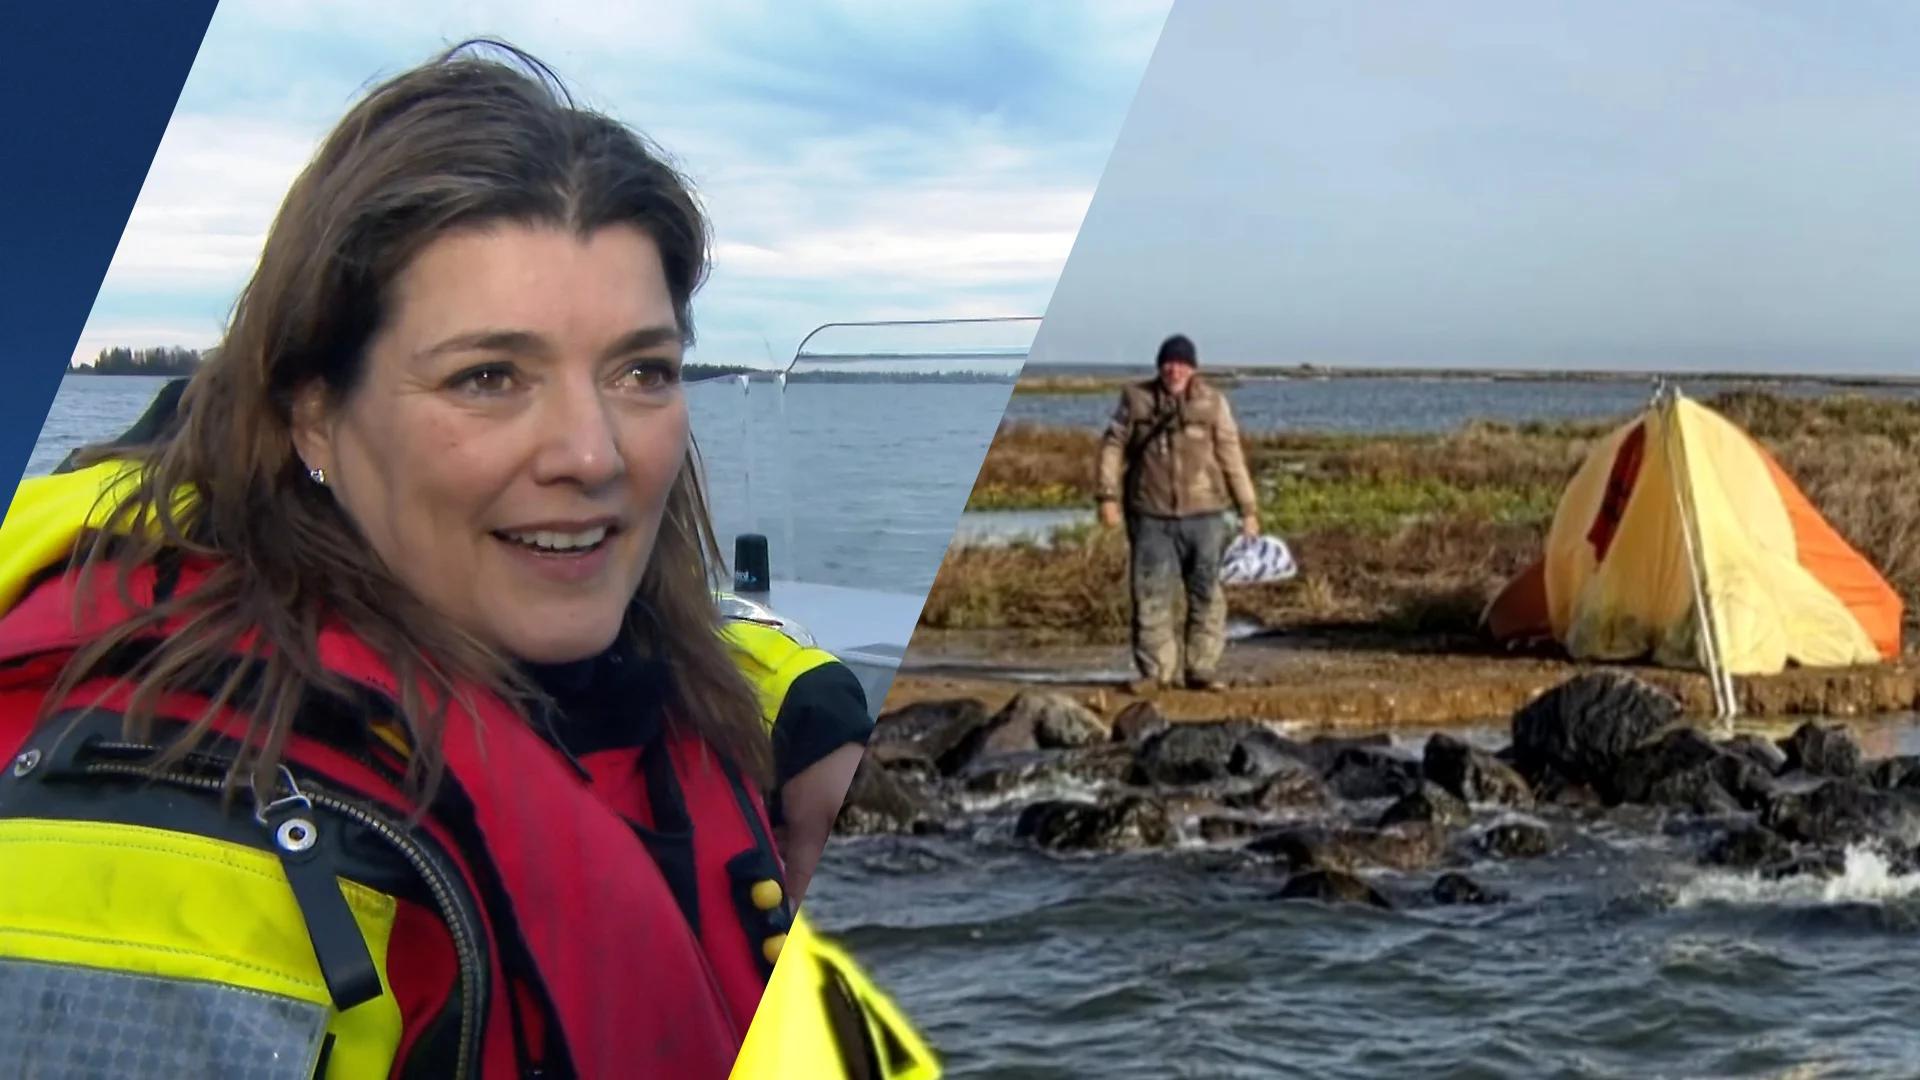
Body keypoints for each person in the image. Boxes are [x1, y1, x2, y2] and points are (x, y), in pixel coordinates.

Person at [0, 41, 917, 1080]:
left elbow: (612, 645)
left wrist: (794, 699)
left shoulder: (505, 605)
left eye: (642, 370)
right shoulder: (175, 838)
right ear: (313, 419)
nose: (592, 453)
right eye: (488, 377)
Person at [1094, 333, 1259, 692]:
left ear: (1193, 368)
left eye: (1182, 363)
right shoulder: (1136, 399)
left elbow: (1232, 456)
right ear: (1160, 366)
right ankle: (1157, 674)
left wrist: (1248, 509)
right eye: (1169, 362)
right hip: (1149, 513)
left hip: (1206, 514)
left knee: (1207, 593)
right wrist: (1107, 497)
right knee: (1150, 594)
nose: (1175, 369)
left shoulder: (1213, 403)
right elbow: (1112, 446)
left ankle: (1201, 669)